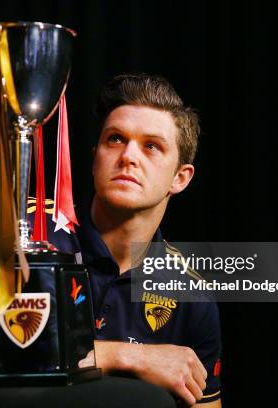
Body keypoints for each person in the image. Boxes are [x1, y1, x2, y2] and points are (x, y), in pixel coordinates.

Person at [49, 73, 222, 407]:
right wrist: (135, 357)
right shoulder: (34, 237)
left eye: (151, 146)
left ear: (180, 178)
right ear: (95, 157)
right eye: (115, 139)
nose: (128, 155)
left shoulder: (192, 294)